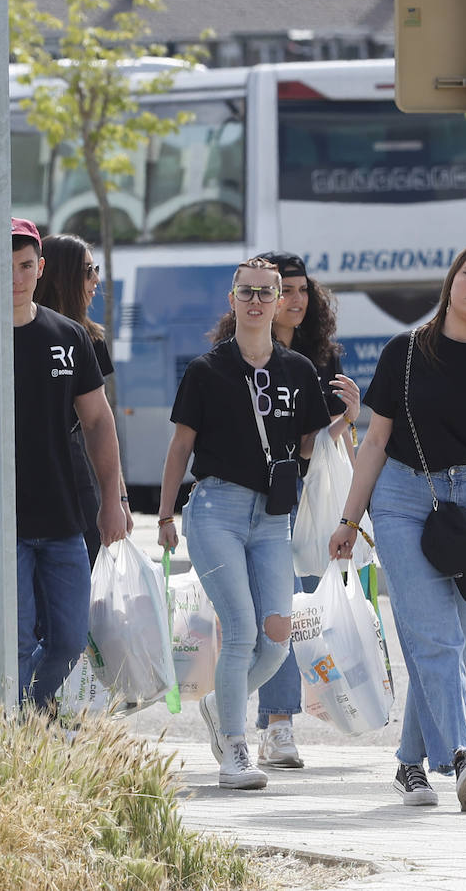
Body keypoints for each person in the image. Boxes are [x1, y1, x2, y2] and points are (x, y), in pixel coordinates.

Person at [329, 239, 466, 812]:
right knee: (434, 637)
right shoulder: (405, 351)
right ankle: (462, 756)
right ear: (452, 281)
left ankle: (408, 765)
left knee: (448, 641)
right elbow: (374, 439)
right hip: (403, 495)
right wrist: (350, 518)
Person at [0, 217, 127, 714]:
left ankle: (28, 714)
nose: (15, 277)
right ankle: (15, 738)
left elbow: (100, 423)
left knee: (68, 638)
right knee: (14, 640)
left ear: (40, 269)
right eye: (4, 266)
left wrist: (113, 501)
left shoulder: (69, 337)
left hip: (62, 517)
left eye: (25, 266)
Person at [157, 257, 330, 790]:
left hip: (273, 517)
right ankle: (235, 751)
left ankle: (219, 704)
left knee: (276, 639)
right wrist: (165, 513)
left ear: (281, 302)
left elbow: (309, 441)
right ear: (232, 301)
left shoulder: (298, 370)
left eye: (266, 293)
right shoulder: (206, 370)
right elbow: (181, 445)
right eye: (246, 292)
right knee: (239, 632)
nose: (256, 301)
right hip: (216, 510)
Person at [209, 251, 361, 769]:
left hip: (307, 494)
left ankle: (267, 722)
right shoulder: (232, 357)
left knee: (291, 615)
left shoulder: (319, 360)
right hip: (253, 502)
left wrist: (350, 420)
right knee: (269, 618)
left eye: (300, 291)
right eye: (283, 290)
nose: (292, 300)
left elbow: (320, 441)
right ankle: (274, 724)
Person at [36, 233, 134, 565]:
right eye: (87, 270)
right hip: (41, 466)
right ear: (61, 276)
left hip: (84, 468)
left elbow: (101, 423)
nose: (96, 280)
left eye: (96, 270)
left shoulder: (91, 338)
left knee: (93, 561)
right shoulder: (27, 332)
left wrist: (119, 498)